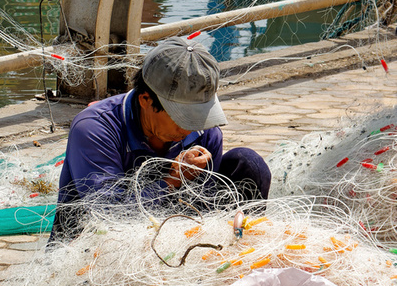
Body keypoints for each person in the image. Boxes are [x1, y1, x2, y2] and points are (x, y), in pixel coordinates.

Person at [50, 37, 272, 242]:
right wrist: (171, 181)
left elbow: (203, 208)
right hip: (98, 244)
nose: (191, 127)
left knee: (248, 163)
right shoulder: (94, 129)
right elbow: (109, 215)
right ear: (145, 99)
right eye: (182, 117)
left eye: (199, 116)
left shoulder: (206, 131)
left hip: (173, 237)